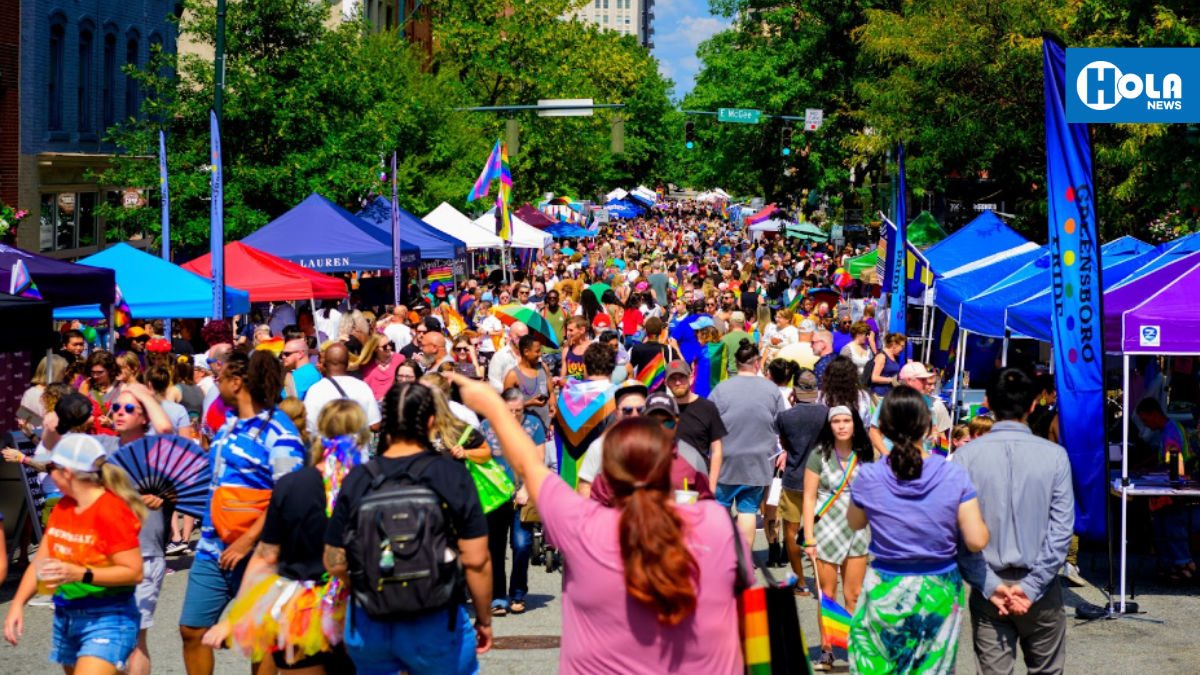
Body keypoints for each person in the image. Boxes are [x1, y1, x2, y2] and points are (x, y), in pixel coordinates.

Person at [450, 373, 750, 674]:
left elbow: (528, 464)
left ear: (608, 478)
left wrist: (493, 407)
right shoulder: (717, 523)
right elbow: (744, 601)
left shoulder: (582, 526)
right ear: (669, 463)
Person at [322, 382, 492, 674]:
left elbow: (334, 561)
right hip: (436, 618)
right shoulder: (450, 474)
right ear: (430, 421)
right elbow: (476, 560)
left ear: (384, 421)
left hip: (369, 620)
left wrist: (366, 585)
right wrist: (484, 620)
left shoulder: (359, 478)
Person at [200, 399, 364, 673]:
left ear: (317, 433)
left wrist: (236, 615)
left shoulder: (291, 485)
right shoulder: (371, 483)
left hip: (301, 612)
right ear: (362, 437)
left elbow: (266, 557)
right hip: (358, 607)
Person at [179, 352, 307, 675]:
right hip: (212, 548)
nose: (215, 383)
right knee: (191, 629)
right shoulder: (228, 428)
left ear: (237, 383)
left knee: (260, 637)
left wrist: (247, 541)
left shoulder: (282, 434)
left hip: (259, 552)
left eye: (220, 378)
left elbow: (287, 498)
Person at [847, 385, 989, 675]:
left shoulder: (870, 474)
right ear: (927, 427)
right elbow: (975, 541)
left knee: (881, 666)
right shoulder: (953, 473)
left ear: (884, 426)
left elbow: (855, 523)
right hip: (939, 588)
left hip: (886, 584)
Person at [954, 368, 1074, 674]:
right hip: (1042, 585)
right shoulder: (1056, 456)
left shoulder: (964, 458)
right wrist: (1032, 586)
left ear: (987, 402)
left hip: (988, 582)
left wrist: (990, 585)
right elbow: (1061, 531)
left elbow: (958, 532)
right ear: (1033, 404)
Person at [4, 433, 147, 675]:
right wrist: (17, 604)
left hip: (108, 617)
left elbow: (134, 572)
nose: (48, 472)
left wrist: (79, 573)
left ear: (67, 472)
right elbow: (41, 562)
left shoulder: (111, 511)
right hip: (67, 616)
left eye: (51, 467)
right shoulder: (62, 507)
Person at [802, 405, 874, 671]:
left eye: (847, 421)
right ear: (829, 425)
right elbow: (808, 499)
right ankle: (827, 649)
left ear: (855, 424)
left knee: (854, 594)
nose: (842, 426)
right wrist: (808, 538)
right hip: (826, 530)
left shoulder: (865, 455)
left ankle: (854, 647)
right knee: (827, 594)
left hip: (857, 531)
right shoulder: (818, 455)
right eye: (837, 421)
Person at [709, 339, 784, 548]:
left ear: (736, 362)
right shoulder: (771, 389)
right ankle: (744, 560)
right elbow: (782, 424)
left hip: (725, 459)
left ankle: (722, 558)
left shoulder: (721, 389)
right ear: (757, 363)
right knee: (748, 510)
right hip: (759, 460)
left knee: (721, 508)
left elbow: (709, 422)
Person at [480, 389, 548, 615]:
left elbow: (539, 460)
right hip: (495, 496)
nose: (514, 416)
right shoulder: (487, 426)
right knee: (495, 549)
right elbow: (481, 460)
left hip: (522, 495)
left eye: (518, 411)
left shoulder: (533, 426)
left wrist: (527, 488)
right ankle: (498, 596)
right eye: (509, 411)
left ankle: (518, 592)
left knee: (521, 545)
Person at [1133, 396, 1198, 582]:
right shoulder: (1171, 428)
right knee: (1161, 516)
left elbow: (1174, 466)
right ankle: (1177, 563)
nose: (1145, 424)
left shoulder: (1170, 434)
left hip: (1182, 487)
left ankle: (1185, 564)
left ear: (1154, 414)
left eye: (1145, 419)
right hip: (1180, 485)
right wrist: (1146, 464)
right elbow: (1163, 457)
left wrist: (1152, 472)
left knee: (1168, 516)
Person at [773, 369, 826, 594]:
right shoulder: (827, 413)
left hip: (794, 478)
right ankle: (822, 582)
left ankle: (801, 583)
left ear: (795, 391)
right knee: (821, 533)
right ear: (815, 390)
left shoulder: (785, 417)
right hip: (822, 480)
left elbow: (785, 446)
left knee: (791, 532)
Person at [304, 343, 383, 435]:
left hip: (326, 448)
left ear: (325, 363)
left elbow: (308, 428)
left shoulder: (315, 390)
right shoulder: (362, 387)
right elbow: (375, 425)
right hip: (356, 448)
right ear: (348, 363)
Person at [664, 359, 727, 464]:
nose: (678, 382)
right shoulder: (663, 409)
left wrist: (711, 480)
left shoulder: (707, 408)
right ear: (666, 383)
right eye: (673, 379)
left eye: (682, 377)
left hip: (700, 476)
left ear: (691, 379)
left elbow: (717, 450)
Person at [503, 335, 554, 431]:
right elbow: (505, 406)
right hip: (524, 429)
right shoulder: (513, 375)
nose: (540, 354)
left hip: (546, 425)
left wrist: (552, 406)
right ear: (526, 352)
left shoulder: (543, 367)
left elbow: (550, 392)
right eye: (537, 351)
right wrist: (529, 403)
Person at [487, 321, 528, 392]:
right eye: (519, 337)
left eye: (526, 337)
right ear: (510, 336)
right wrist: (514, 393)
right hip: (507, 400)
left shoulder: (532, 355)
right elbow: (494, 384)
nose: (523, 341)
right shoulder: (500, 356)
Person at [868, 332, 906, 398]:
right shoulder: (882, 356)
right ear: (894, 345)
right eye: (902, 346)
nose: (903, 349)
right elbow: (874, 378)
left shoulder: (896, 357)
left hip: (890, 395)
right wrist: (891, 380)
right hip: (879, 395)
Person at [561, 316, 591, 382]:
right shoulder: (567, 350)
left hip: (587, 390)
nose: (568, 333)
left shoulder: (592, 349)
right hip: (571, 390)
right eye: (567, 330)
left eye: (571, 330)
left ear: (582, 330)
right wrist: (559, 381)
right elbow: (563, 377)